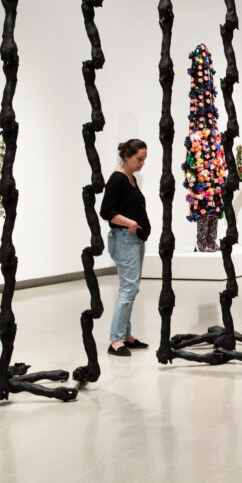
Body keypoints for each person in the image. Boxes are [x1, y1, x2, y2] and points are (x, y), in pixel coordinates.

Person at [99, 139, 152, 357]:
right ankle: (116, 340)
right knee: (128, 289)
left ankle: (126, 335)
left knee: (132, 289)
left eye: (144, 160)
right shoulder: (117, 179)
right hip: (124, 238)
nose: (142, 163)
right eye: (139, 159)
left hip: (135, 239)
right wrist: (130, 223)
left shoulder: (131, 179)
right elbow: (106, 211)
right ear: (126, 157)